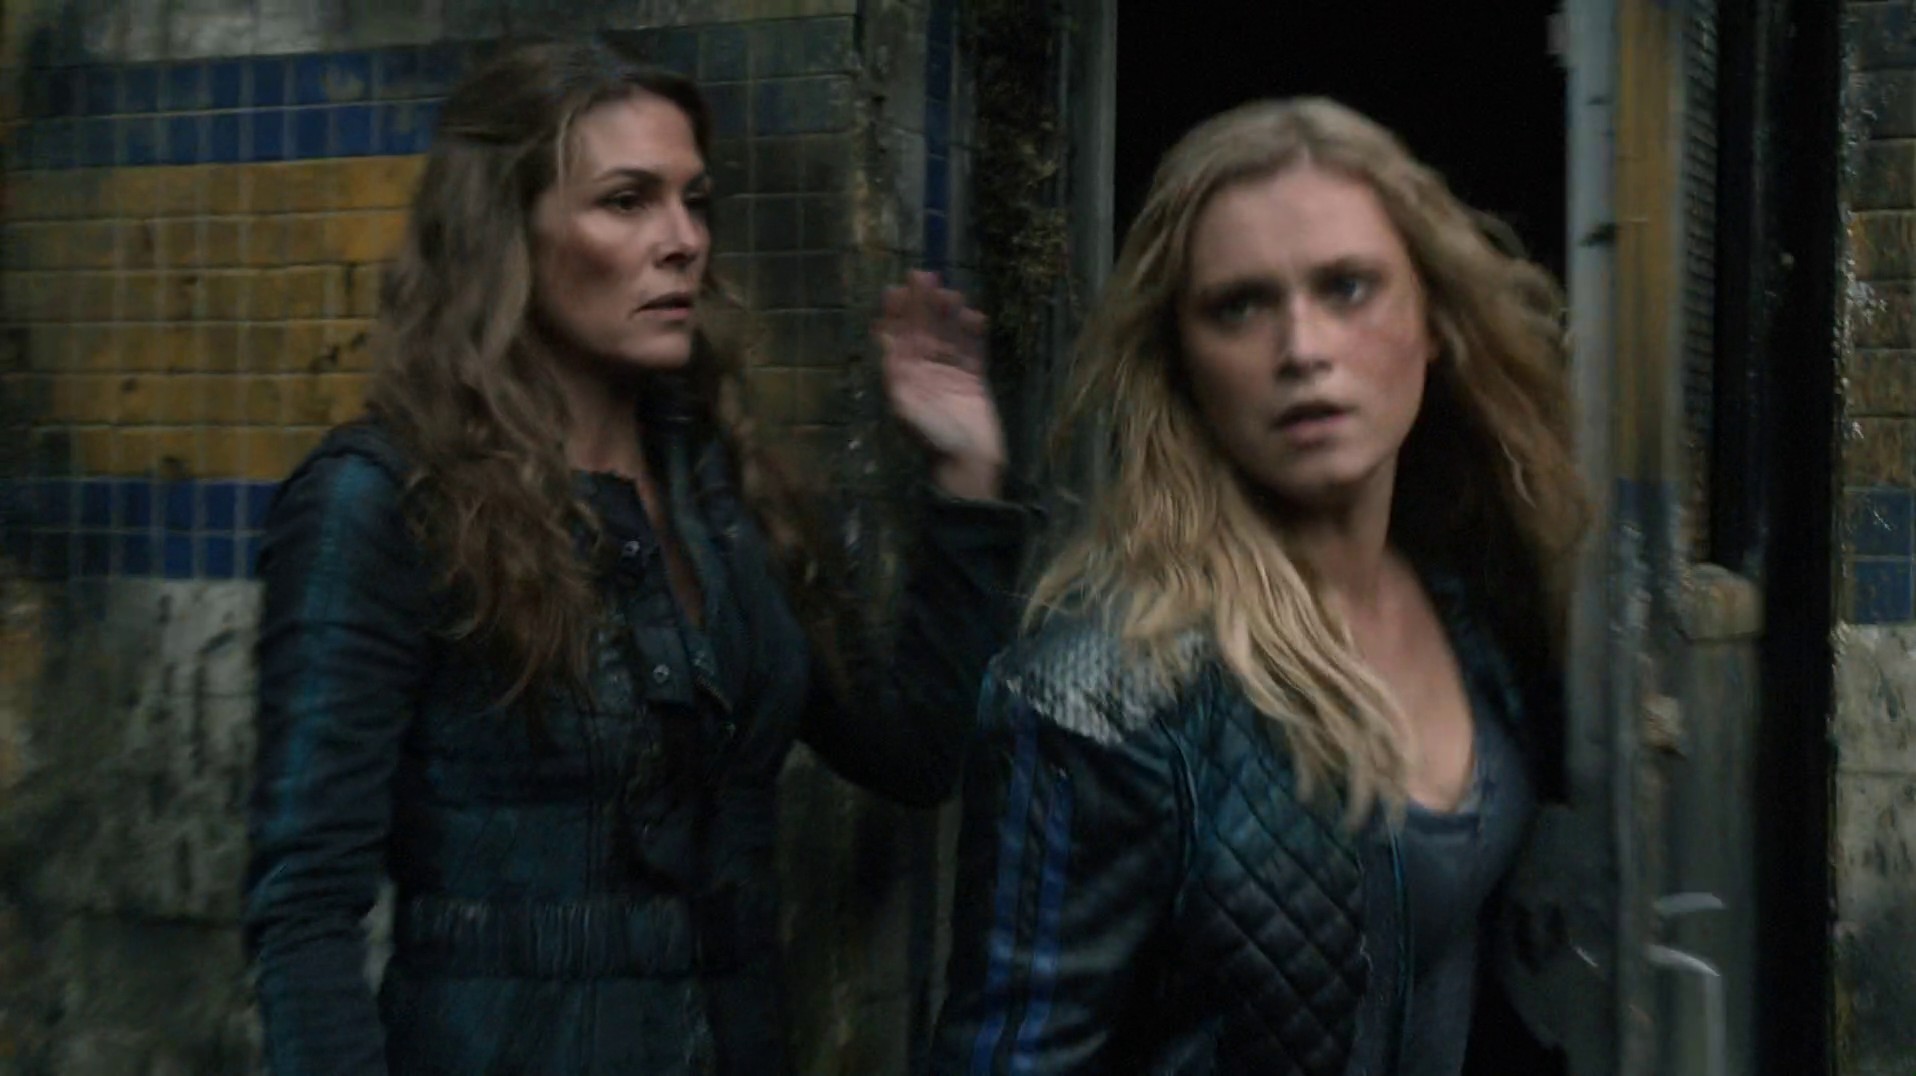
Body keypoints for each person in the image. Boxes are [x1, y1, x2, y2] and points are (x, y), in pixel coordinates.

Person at [243, 37, 1029, 1076]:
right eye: (627, 201)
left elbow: (914, 752)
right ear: (504, 233)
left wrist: (966, 477)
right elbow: (305, 909)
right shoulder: (383, 501)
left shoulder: (723, 495)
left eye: (694, 202)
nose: (684, 241)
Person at [930, 97, 1588, 1075]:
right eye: (1238, 306)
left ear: (1433, 322)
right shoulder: (1099, 697)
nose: (1302, 349)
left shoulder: (1471, 601)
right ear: (1181, 362)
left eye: (1348, 287)